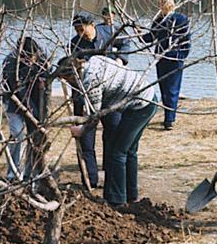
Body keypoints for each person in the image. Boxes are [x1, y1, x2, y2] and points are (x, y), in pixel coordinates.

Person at [57, 55, 158, 206]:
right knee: (129, 150)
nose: (67, 83)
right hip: (149, 97)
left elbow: (94, 117)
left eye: (66, 80)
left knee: (117, 152)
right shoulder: (96, 59)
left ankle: (117, 200)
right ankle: (132, 195)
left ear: (72, 75)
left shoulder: (90, 82)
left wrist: (81, 130)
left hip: (139, 106)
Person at [69, 11, 133, 188]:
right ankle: (90, 179)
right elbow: (73, 69)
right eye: (77, 30)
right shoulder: (75, 44)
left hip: (110, 96)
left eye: (82, 29)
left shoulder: (109, 31)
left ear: (92, 25)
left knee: (113, 133)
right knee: (86, 138)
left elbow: (126, 42)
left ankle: (111, 173)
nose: (80, 33)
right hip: (85, 96)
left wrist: (121, 59)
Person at [1, 37, 50, 180]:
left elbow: (46, 80)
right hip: (14, 104)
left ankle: (30, 172)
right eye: (26, 57)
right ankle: (13, 173)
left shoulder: (42, 59)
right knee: (17, 135)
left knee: (34, 138)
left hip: (35, 104)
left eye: (32, 57)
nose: (29, 60)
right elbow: (17, 92)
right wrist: (30, 110)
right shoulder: (10, 63)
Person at [142, 0, 191, 130]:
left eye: (162, 3)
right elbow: (151, 37)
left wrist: (180, 56)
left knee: (172, 89)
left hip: (175, 59)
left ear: (170, 5)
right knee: (163, 87)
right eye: (160, 4)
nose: (160, 6)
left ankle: (169, 120)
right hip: (161, 58)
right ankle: (168, 116)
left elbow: (186, 40)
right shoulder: (158, 21)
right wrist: (139, 35)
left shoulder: (180, 19)